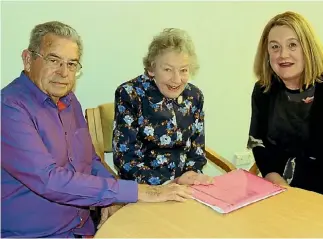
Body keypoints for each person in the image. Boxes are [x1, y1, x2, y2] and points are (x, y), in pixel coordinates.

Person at [1, 21, 192, 238]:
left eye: (72, 64)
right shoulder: (8, 108)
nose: (64, 72)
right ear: (28, 59)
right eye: (54, 60)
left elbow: (89, 161)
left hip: (83, 228)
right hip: (35, 234)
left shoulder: (69, 101)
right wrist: (137, 191)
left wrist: (112, 198)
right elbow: (49, 180)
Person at [247, 11, 323, 210]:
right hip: (282, 196)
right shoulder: (263, 90)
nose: (283, 54)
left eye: (293, 45)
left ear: (308, 48)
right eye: (275, 47)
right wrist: (278, 183)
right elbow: (260, 146)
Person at [112, 28, 213, 186]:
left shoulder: (194, 96)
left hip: (184, 188)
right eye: (167, 70)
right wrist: (168, 184)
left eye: (183, 70)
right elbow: (125, 160)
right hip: (144, 190)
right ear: (151, 69)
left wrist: (191, 176)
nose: (177, 79)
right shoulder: (130, 94)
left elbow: (197, 151)